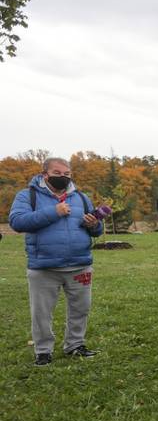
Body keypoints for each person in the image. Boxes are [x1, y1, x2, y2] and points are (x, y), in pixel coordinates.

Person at [9, 157, 104, 366]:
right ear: (45, 174)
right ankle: (43, 351)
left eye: (67, 174)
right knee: (41, 313)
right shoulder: (28, 195)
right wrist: (54, 212)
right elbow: (17, 222)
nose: (63, 177)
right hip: (44, 266)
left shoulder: (80, 197)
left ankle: (75, 345)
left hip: (80, 264)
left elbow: (97, 230)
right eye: (57, 173)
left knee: (80, 309)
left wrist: (94, 224)